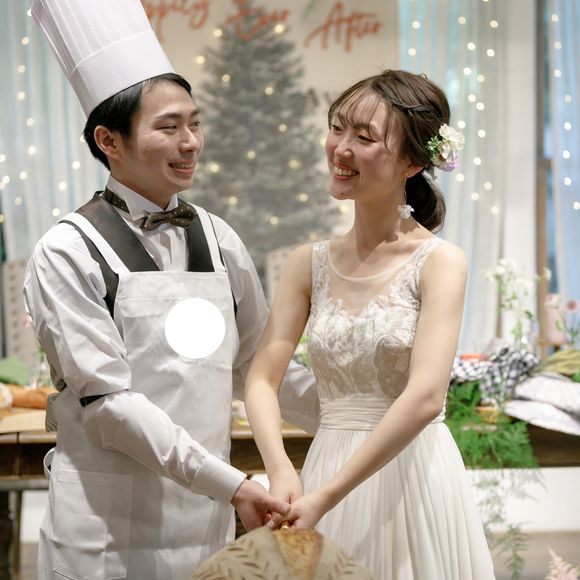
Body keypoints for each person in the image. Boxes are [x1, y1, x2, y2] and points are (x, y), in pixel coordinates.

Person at [25, 1, 317, 578]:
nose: (191, 143)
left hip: (204, 522)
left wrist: (355, 414)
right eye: (168, 127)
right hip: (104, 534)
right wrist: (233, 484)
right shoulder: (66, 251)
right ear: (109, 140)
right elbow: (109, 406)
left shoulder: (217, 237)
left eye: (194, 123)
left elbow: (258, 365)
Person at [244, 69, 496, 579]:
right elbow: (261, 379)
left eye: (364, 137)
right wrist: (280, 468)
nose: (341, 149)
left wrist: (327, 495)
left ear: (412, 162)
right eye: (338, 129)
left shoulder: (440, 262)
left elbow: (425, 397)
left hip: (411, 477)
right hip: (322, 467)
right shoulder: (306, 263)